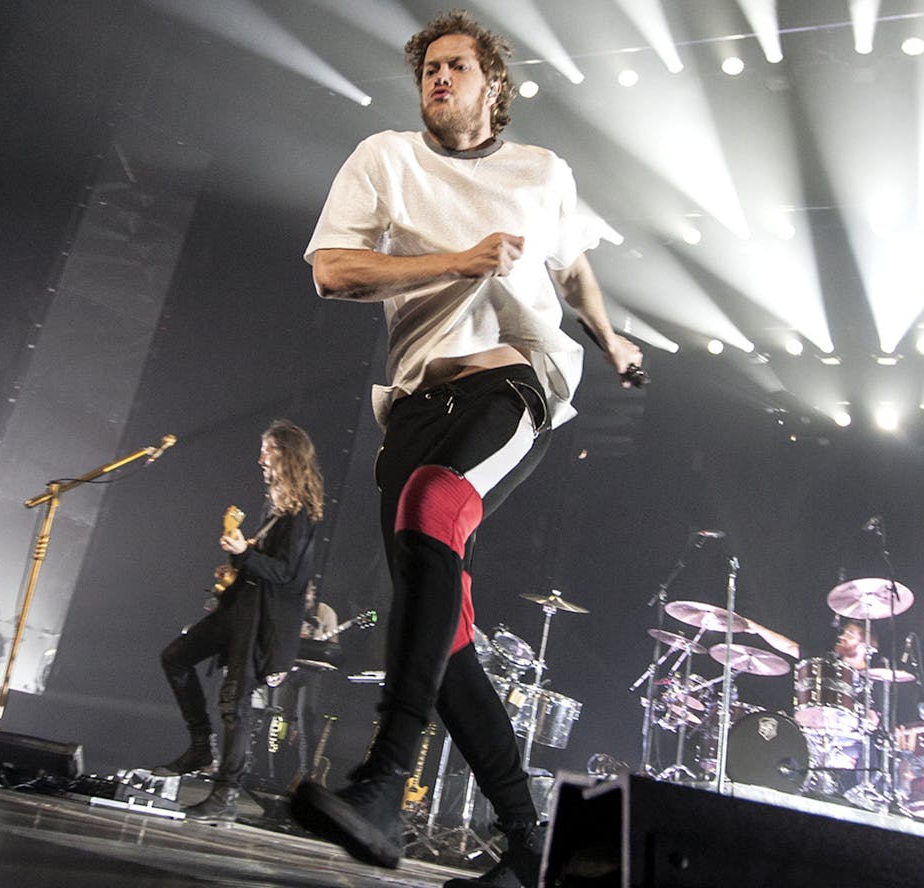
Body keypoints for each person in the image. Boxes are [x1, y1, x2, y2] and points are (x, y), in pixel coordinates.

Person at [289, 10, 642, 885]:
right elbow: (334, 271)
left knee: (432, 508)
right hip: (414, 402)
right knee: (441, 632)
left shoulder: (542, 171)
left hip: (513, 382)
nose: (438, 79)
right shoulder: (384, 159)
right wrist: (459, 259)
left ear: (494, 85)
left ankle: (383, 785)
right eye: (427, 71)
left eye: (456, 66)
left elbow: (569, 266)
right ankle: (530, 846)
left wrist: (610, 339)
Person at [153, 420, 324, 824]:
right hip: (238, 609)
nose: (261, 459)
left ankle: (225, 792)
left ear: (287, 455)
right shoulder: (276, 510)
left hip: (259, 620)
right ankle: (200, 745)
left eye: (268, 450)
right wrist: (239, 555)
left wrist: (245, 554)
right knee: (175, 657)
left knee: (235, 701)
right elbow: (264, 567)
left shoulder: (300, 516)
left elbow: (287, 576)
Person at [273, 581, 339, 786]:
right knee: (279, 720)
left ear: (313, 595)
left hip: (311, 671)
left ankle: (306, 774)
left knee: (306, 720)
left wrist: (320, 641)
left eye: (307, 595)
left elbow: (334, 649)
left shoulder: (325, 612)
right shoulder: (287, 608)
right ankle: (274, 773)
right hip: (286, 668)